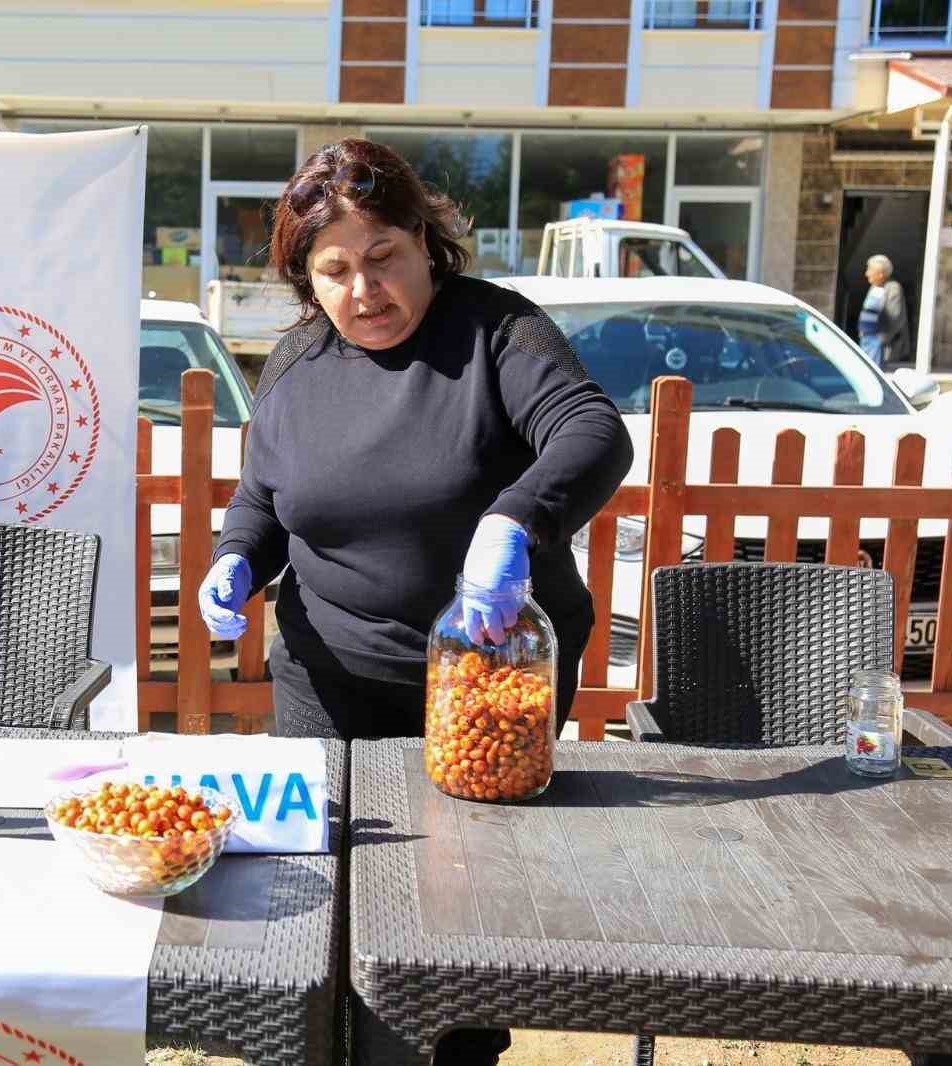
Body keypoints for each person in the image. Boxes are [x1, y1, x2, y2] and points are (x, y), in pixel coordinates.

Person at [195, 138, 633, 1064]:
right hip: (325, 675)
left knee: (455, 918)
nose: (366, 290)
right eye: (336, 270)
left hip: (485, 676)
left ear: (425, 241)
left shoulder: (497, 334)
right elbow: (267, 496)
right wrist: (237, 558)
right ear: (306, 280)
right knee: (312, 898)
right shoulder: (294, 363)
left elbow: (592, 431)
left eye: (385, 256)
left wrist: (517, 521)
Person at [857, 254, 911, 368]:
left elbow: (896, 316)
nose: (867, 274)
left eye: (870, 270)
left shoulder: (892, 287)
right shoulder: (874, 287)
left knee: (872, 374)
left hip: (877, 342)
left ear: (881, 274)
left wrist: (881, 339)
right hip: (866, 338)